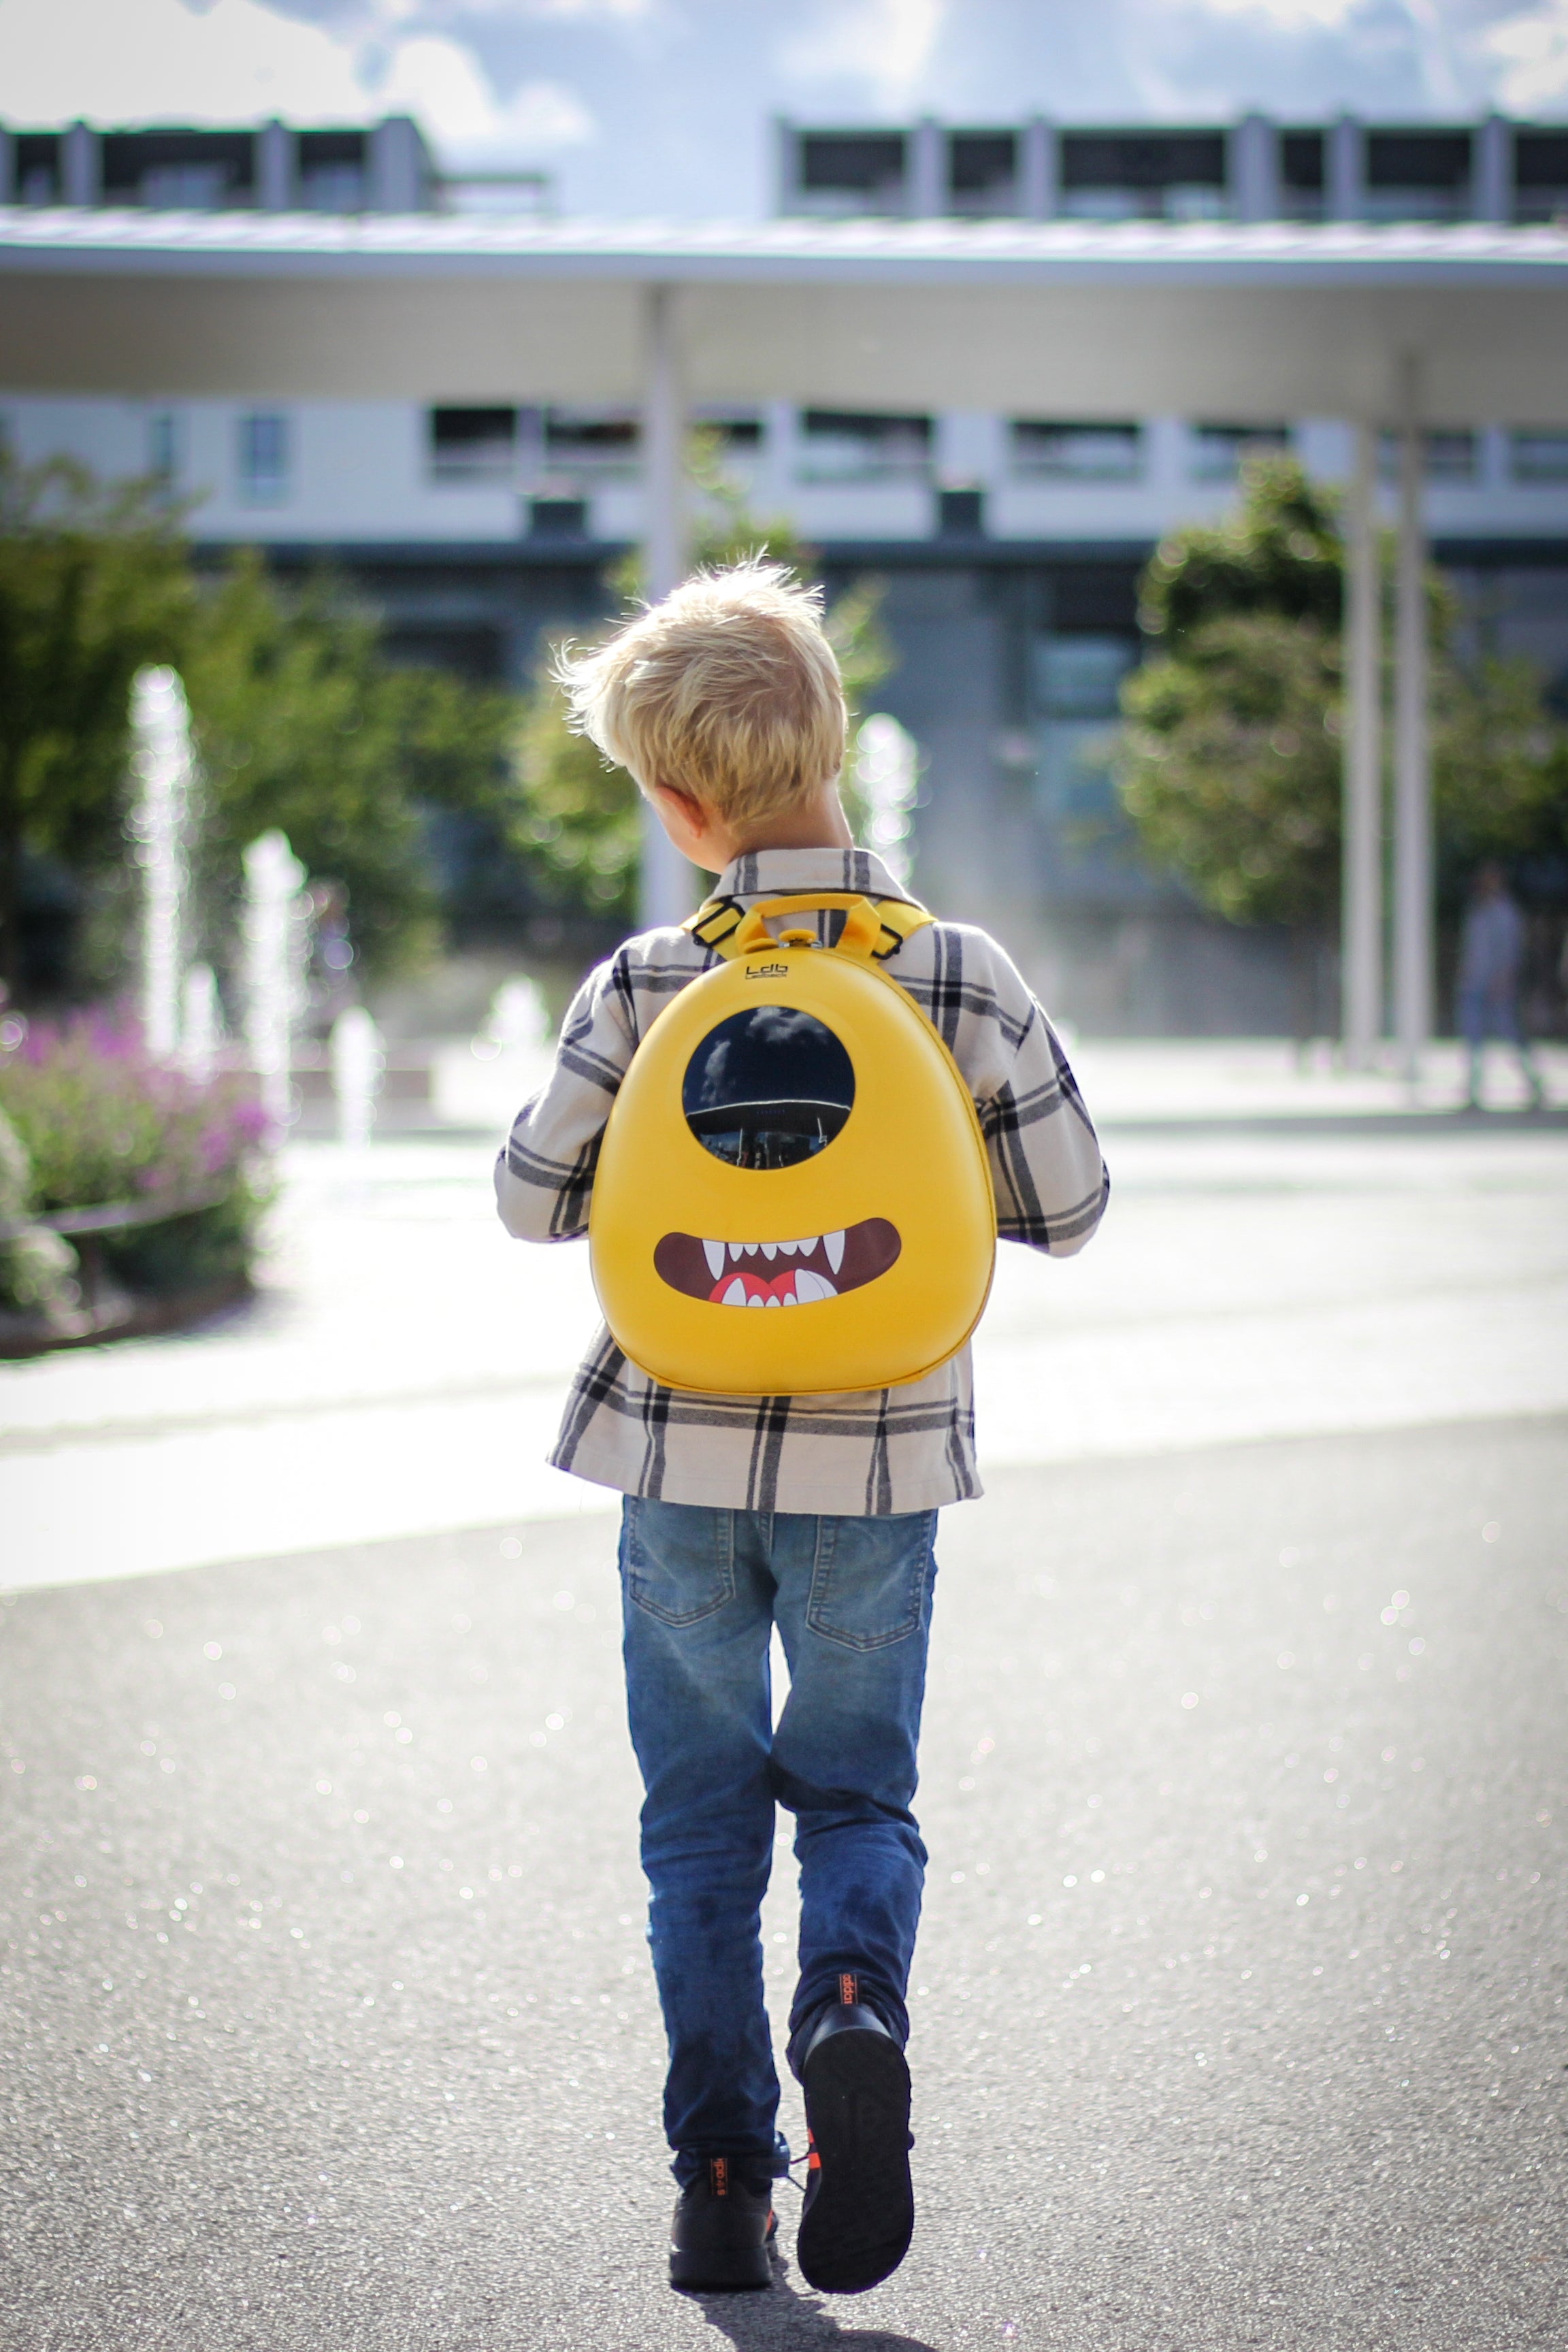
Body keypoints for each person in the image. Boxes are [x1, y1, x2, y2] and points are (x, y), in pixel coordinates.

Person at [495, 561, 1109, 2297]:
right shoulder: (957, 973)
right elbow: (1069, 1203)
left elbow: (534, 1202)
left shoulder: (641, 984)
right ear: (835, 738)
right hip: (879, 1456)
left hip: (675, 1461)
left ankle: (717, 2175)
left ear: (683, 810)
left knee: (697, 1823)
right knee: (857, 1791)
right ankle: (850, 1998)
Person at [1457, 863, 1544, 1111]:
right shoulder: (1477, 911)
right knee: (1474, 1040)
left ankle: (1534, 1084)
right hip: (1474, 985)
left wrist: (1503, 981)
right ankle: (1474, 1092)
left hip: (1496, 988)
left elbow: (1510, 952)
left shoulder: (1505, 913)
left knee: (1511, 1036)